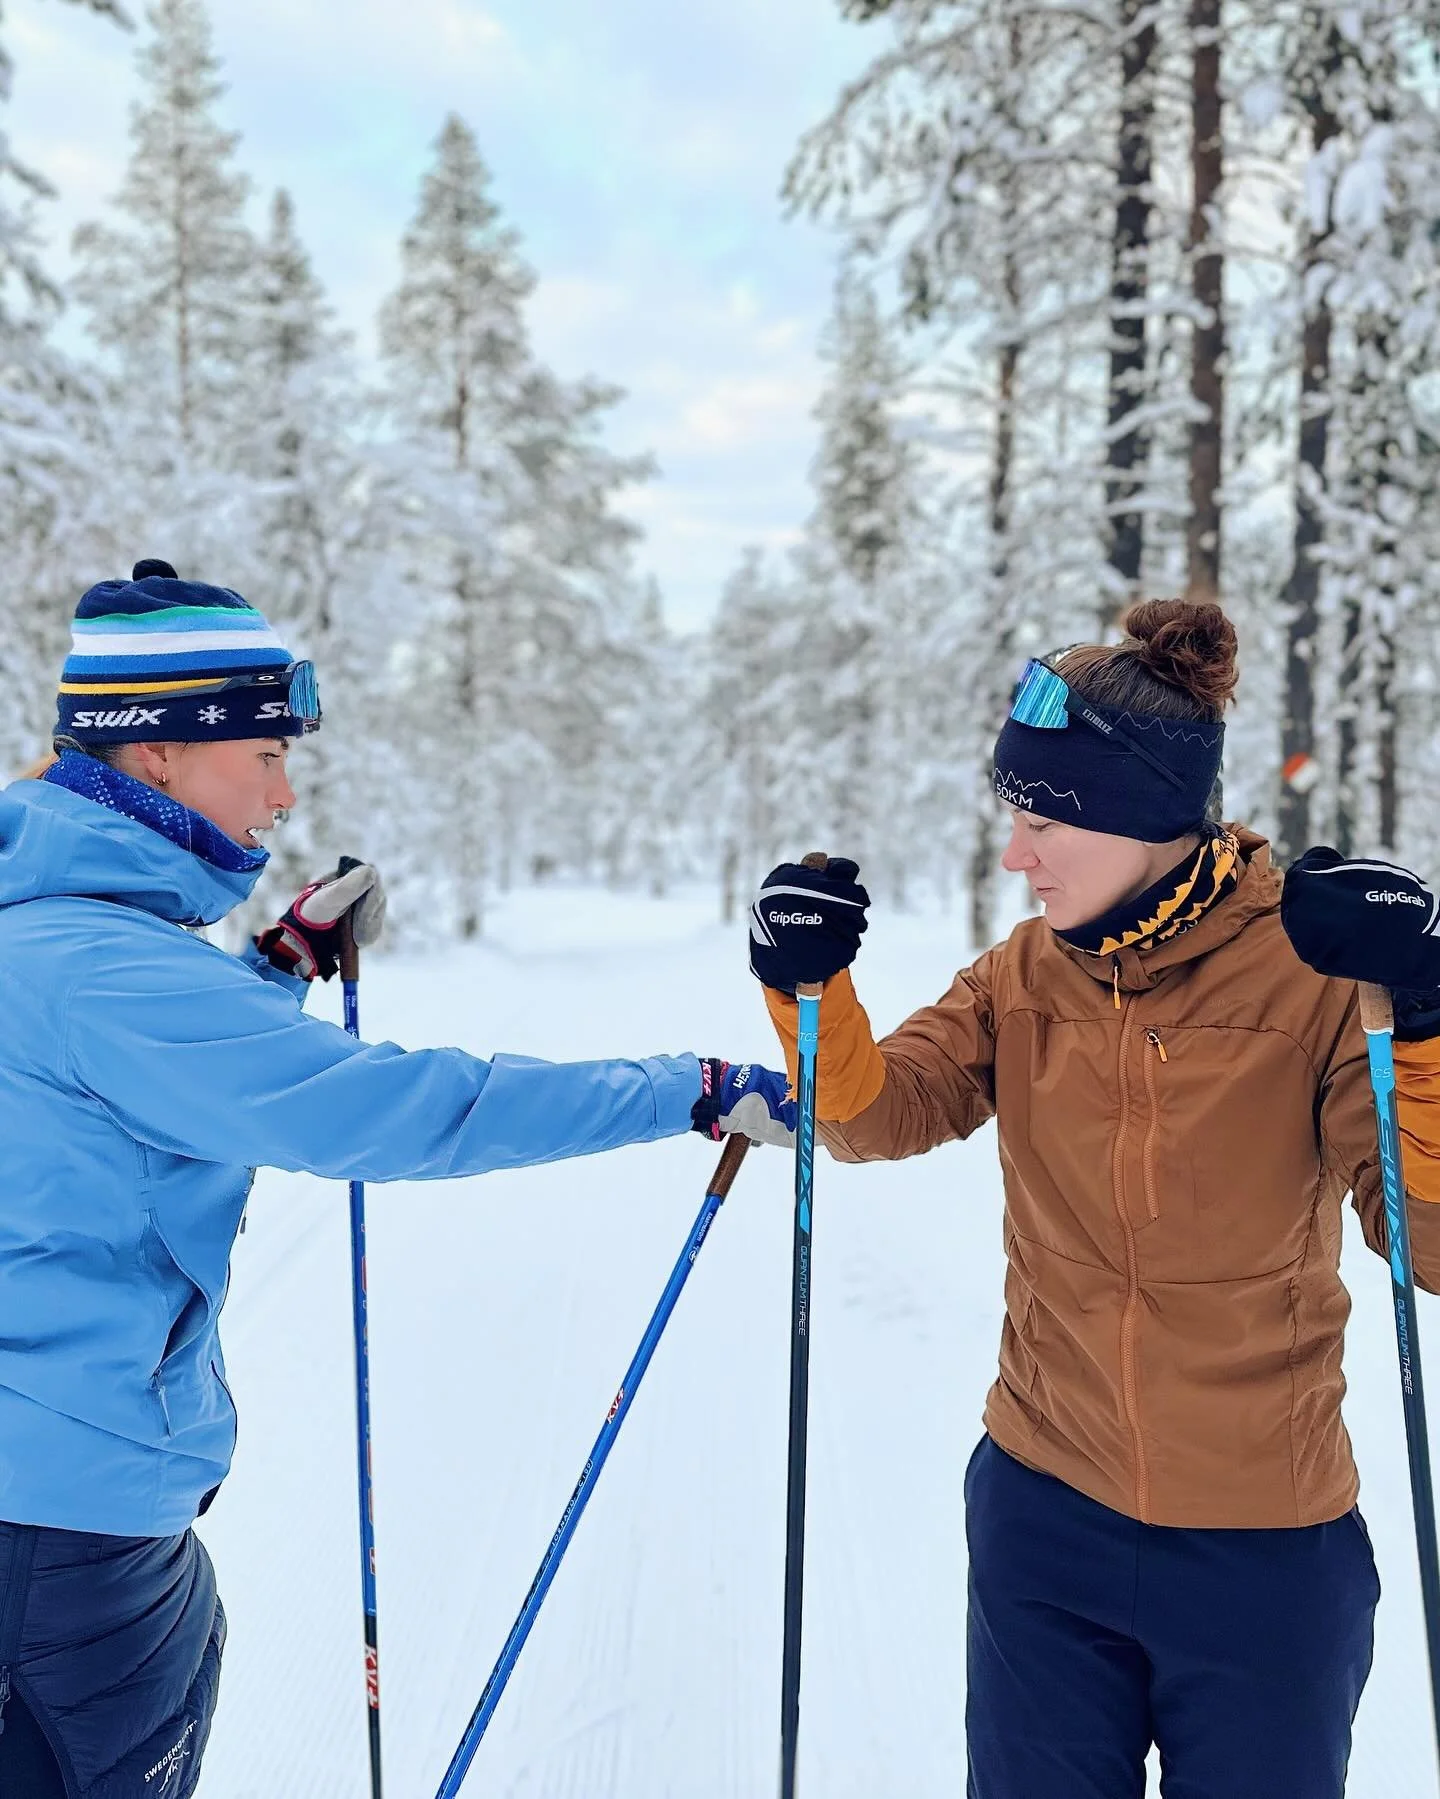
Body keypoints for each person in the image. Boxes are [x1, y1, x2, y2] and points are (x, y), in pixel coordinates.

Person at [0, 560, 795, 1799]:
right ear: (155, 751)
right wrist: (681, 1086)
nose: (286, 787)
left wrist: (275, 970)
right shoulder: (110, 969)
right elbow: (402, 1110)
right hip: (57, 1528)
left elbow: (144, 1087)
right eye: (262, 751)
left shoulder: (54, 929)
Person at [751, 597, 1440, 1799]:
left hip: (1265, 1543)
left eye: (1039, 821)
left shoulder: (1318, 977)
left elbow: (1427, 1243)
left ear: (1140, 818)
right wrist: (810, 989)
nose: (1015, 856)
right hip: (1043, 1515)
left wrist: (1423, 1018)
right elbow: (869, 1114)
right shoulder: (1023, 974)